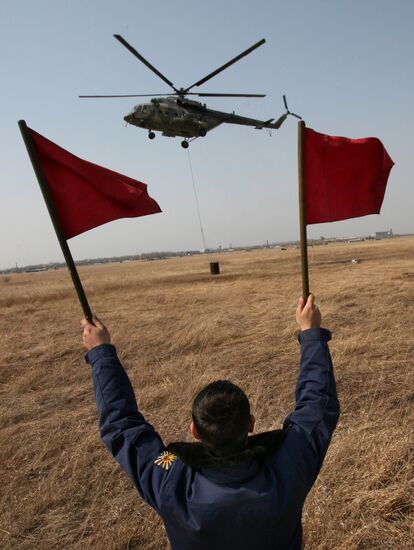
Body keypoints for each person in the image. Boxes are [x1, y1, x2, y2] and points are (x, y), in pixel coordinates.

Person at [81, 294, 339, 550]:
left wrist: (101, 353)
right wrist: (310, 333)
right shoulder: (289, 465)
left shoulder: (170, 477)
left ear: (194, 431)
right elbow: (317, 405)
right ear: (250, 423)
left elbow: (121, 424)